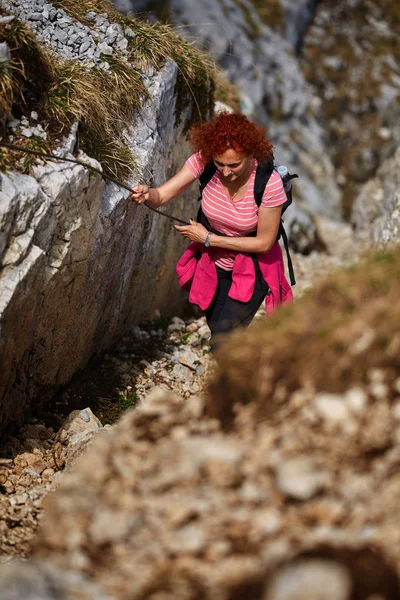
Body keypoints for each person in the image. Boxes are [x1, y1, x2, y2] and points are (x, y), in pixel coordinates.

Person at [129, 111, 292, 349]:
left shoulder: (269, 184)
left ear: (249, 155)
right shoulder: (203, 162)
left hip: (254, 269)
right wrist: (147, 193)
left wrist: (207, 239)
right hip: (216, 266)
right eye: (220, 164)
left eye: (234, 164)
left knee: (223, 340)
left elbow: (263, 243)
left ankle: (239, 382)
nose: (225, 172)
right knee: (218, 328)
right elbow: (161, 195)